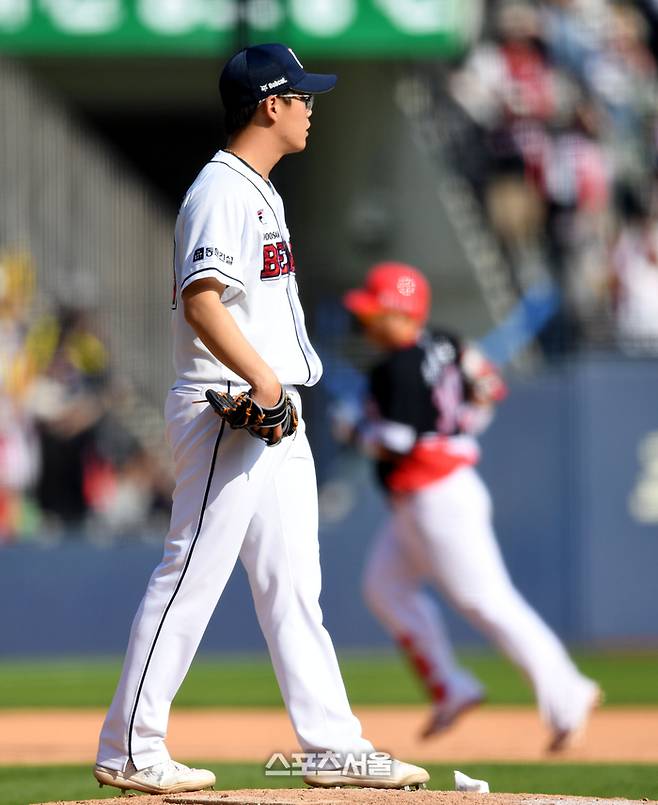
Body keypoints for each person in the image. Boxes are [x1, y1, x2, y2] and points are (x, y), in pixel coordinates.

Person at [93, 45, 429, 795]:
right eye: (302, 96)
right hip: (231, 407)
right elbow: (201, 297)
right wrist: (263, 379)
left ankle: (331, 744)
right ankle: (130, 745)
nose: (312, 107)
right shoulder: (220, 189)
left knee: (292, 585)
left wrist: (276, 388)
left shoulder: (258, 189)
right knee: (190, 573)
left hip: (272, 410)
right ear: (269, 105)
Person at [343, 261, 601, 751]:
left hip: (436, 496)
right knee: (384, 587)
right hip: (429, 494)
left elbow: (395, 439)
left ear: (398, 314)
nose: (367, 321)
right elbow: (490, 387)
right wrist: (460, 428)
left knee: (487, 600)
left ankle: (568, 691)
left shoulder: (394, 367)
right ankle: (451, 687)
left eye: (376, 312)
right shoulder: (446, 342)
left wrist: (351, 430)